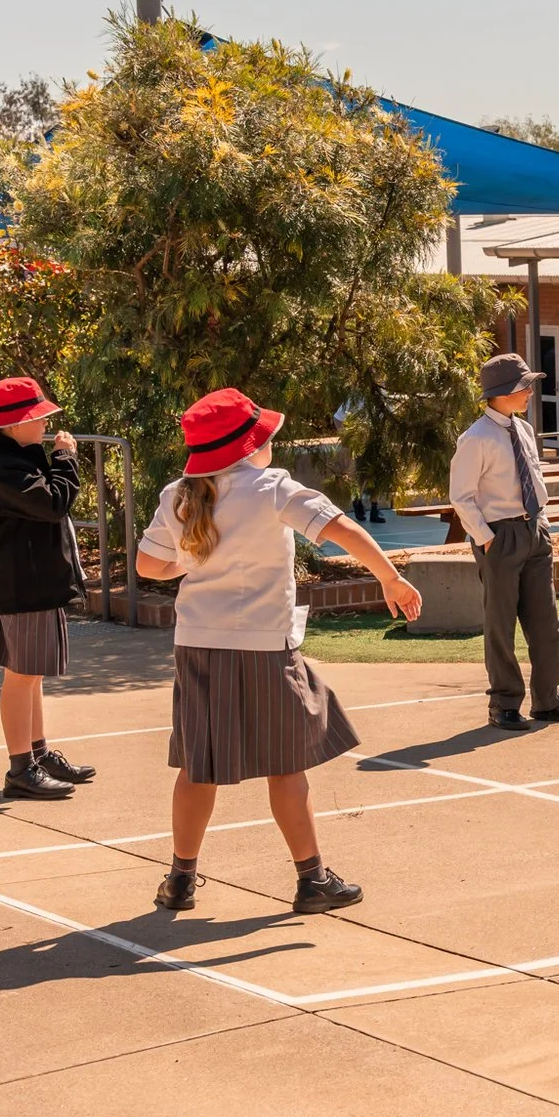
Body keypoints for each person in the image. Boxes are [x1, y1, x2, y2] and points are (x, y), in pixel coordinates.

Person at [133, 387, 424, 915]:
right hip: (265, 647)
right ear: (249, 446)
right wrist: (390, 578)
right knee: (286, 766)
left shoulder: (178, 493)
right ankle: (311, 879)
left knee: (199, 767)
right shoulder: (272, 488)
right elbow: (344, 530)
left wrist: (191, 561)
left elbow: (149, 567)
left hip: (198, 645)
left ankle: (180, 878)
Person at [0, 376, 94, 802]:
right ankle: (21, 769)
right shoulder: (4, 468)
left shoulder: (16, 457)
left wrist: (52, 457)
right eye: (37, 418)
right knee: (21, 677)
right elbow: (55, 503)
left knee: (32, 673)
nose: (45, 424)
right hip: (20, 583)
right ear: (13, 425)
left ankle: (37, 755)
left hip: (32, 581)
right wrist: (66, 458)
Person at [451, 353, 559, 730]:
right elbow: (460, 496)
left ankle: (547, 700)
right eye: (524, 386)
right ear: (503, 392)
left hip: (534, 532)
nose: (530, 392)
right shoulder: (476, 438)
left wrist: (541, 523)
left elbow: (534, 478)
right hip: (500, 536)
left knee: (547, 622)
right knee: (501, 625)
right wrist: (487, 538)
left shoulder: (524, 430)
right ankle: (504, 704)